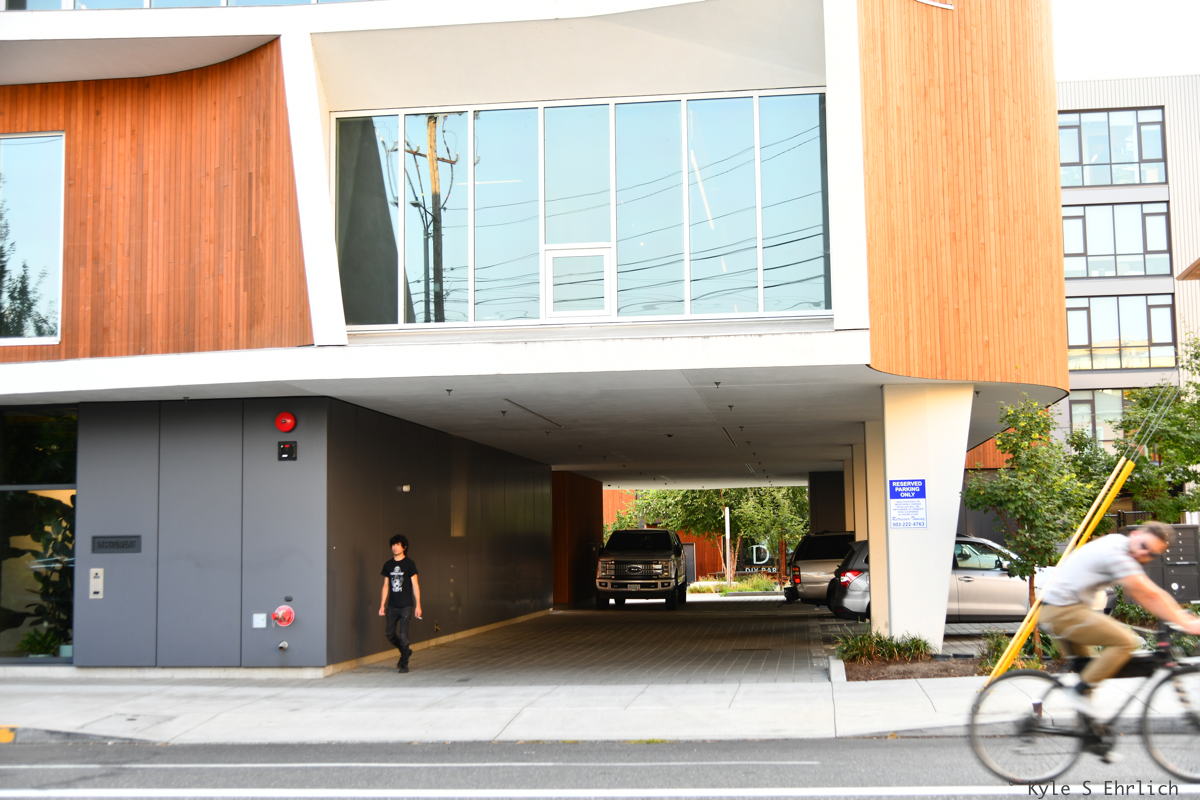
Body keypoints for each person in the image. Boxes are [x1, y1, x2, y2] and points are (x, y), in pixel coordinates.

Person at [1040, 521, 1200, 713]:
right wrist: (1186, 623)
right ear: (1135, 535)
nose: (1143, 554)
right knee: (1126, 641)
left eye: (1151, 554)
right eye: (1144, 546)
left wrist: (1178, 615)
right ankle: (1079, 693)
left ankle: (1087, 725)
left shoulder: (1118, 544)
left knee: (1088, 668)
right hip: (1063, 611)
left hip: (1060, 609)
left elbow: (1148, 592)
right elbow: (1148, 594)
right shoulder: (1117, 554)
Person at [378, 534, 422, 673]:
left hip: (406, 606)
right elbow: (386, 586)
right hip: (392, 606)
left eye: (398, 545)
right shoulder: (388, 565)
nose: (395, 547)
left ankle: (404, 664)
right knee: (389, 634)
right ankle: (406, 651)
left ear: (404, 547)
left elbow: (415, 585)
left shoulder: (409, 564)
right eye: (393, 545)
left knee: (403, 635)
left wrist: (418, 605)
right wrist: (382, 605)